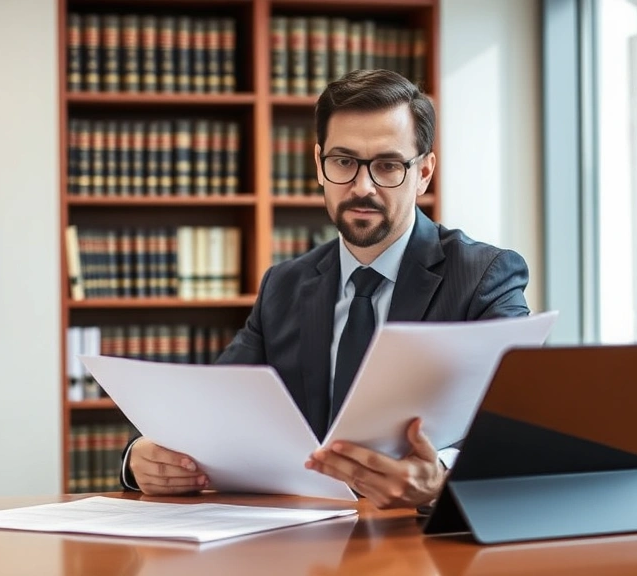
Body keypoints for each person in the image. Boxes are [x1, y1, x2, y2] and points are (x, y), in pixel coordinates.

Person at [119, 69, 531, 509]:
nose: (362, 187)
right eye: (344, 162)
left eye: (388, 165)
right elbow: (213, 411)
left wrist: (440, 479)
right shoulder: (284, 286)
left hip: (422, 541)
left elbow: (519, 430)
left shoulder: (485, 276)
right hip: (305, 539)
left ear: (424, 172)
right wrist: (140, 458)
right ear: (319, 165)